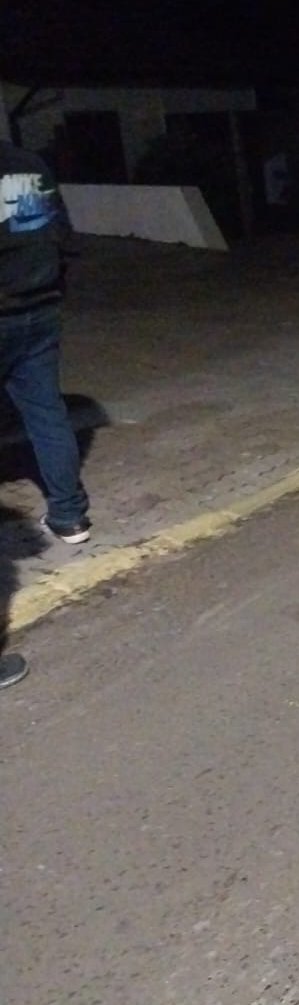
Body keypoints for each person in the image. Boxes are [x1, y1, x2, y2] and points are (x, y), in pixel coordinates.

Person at [0, 141, 93, 692]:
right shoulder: (30, 164)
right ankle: (70, 517)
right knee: (45, 412)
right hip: (37, 308)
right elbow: (60, 235)